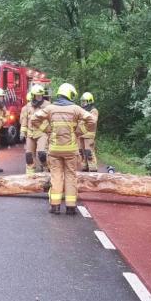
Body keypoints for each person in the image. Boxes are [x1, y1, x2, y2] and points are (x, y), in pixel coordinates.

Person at [31, 83, 96, 215]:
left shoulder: (50, 108)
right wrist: (78, 131)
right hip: (71, 150)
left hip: (54, 150)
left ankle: (55, 206)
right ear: (69, 94)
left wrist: (47, 129)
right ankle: (71, 207)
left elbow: (34, 119)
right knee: (71, 176)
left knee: (56, 176)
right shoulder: (76, 109)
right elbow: (92, 120)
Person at [21, 85, 51, 175]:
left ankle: (46, 168)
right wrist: (22, 132)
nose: (39, 97)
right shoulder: (27, 107)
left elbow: (51, 119)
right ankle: (30, 174)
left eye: (41, 95)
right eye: (37, 95)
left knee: (42, 154)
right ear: (33, 95)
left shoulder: (48, 105)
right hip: (30, 134)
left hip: (42, 133)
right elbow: (24, 120)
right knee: (29, 155)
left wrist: (50, 131)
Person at [78, 92, 98, 172]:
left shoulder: (93, 111)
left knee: (89, 152)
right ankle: (85, 166)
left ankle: (93, 169)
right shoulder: (82, 110)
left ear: (89, 101)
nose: (82, 103)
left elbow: (93, 121)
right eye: (82, 101)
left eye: (84, 101)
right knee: (82, 152)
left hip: (89, 134)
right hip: (82, 134)